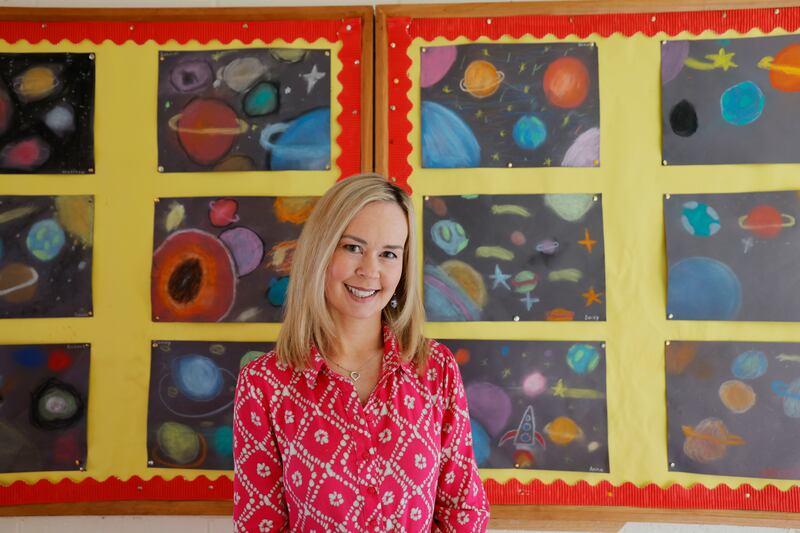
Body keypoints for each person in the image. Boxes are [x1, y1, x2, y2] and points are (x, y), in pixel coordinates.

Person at [233, 173, 489, 532]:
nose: (370, 270)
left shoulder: (435, 370)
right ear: (321, 251)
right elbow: (260, 524)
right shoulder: (265, 384)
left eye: (388, 254)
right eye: (353, 247)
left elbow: (464, 512)